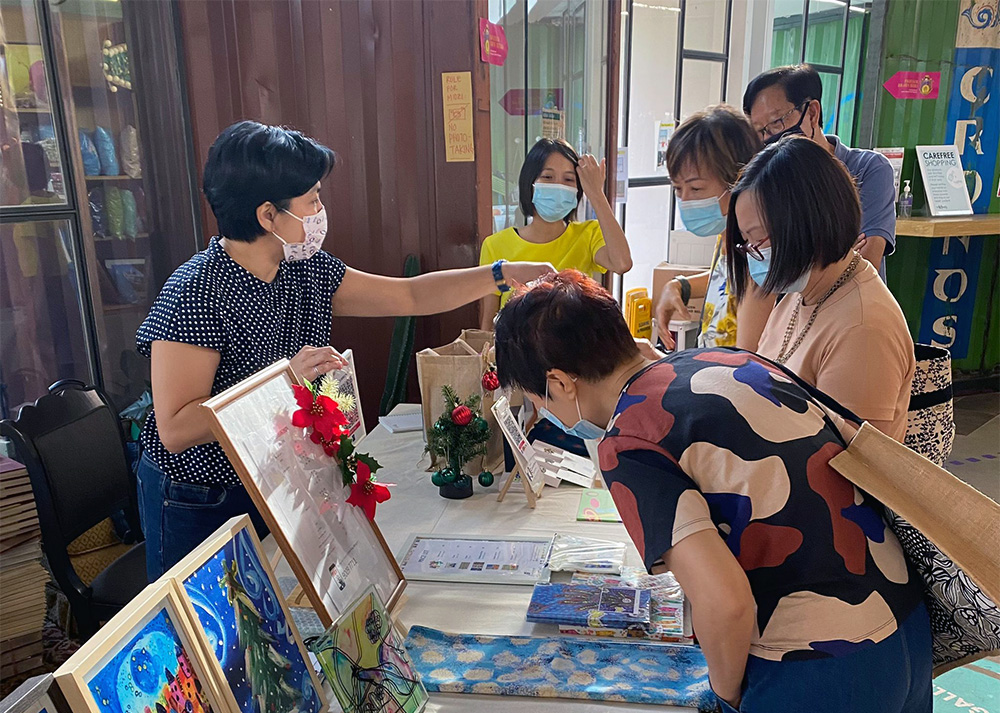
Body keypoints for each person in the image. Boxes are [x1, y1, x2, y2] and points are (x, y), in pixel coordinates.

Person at [493, 269, 938, 713]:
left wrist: (733, 708)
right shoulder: (730, 359)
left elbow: (726, 606)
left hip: (815, 673)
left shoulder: (629, 437)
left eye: (538, 397)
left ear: (561, 382)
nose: (545, 413)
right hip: (899, 632)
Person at [136, 121, 554, 581]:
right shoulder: (195, 291)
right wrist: (283, 382)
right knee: (205, 636)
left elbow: (409, 296)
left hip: (271, 480)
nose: (320, 211)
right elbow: (174, 427)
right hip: (201, 495)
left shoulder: (304, 268)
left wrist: (500, 272)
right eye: (312, 200)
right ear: (267, 216)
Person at [727, 136, 915, 440]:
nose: (752, 253)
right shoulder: (802, 292)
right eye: (746, 242)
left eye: (757, 240)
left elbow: (846, 465)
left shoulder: (863, 328)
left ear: (807, 224)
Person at [743, 63, 896, 279]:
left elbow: (862, 266)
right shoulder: (768, 180)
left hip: (852, 308)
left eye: (776, 122)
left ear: (812, 113)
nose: (768, 139)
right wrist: (835, 252)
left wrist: (796, 255)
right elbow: (764, 263)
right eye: (759, 131)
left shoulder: (869, 169)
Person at [478, 137, 632, 329]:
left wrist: (596, 194)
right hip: (519, 356)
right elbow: (488, 324)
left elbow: (622, 263)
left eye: (568, 179)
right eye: (548, 177)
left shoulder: (589, 234)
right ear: (530, 183)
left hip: (578, 355)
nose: (559, 186)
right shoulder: (495, 245)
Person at [653, 105, 773, 351]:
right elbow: (726, 279)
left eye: (696, 188)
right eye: (678, 189)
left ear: (738, 178)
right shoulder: (728, 234)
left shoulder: (759, 253)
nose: (685, 200)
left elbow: (746, 362)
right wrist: (679, 285)